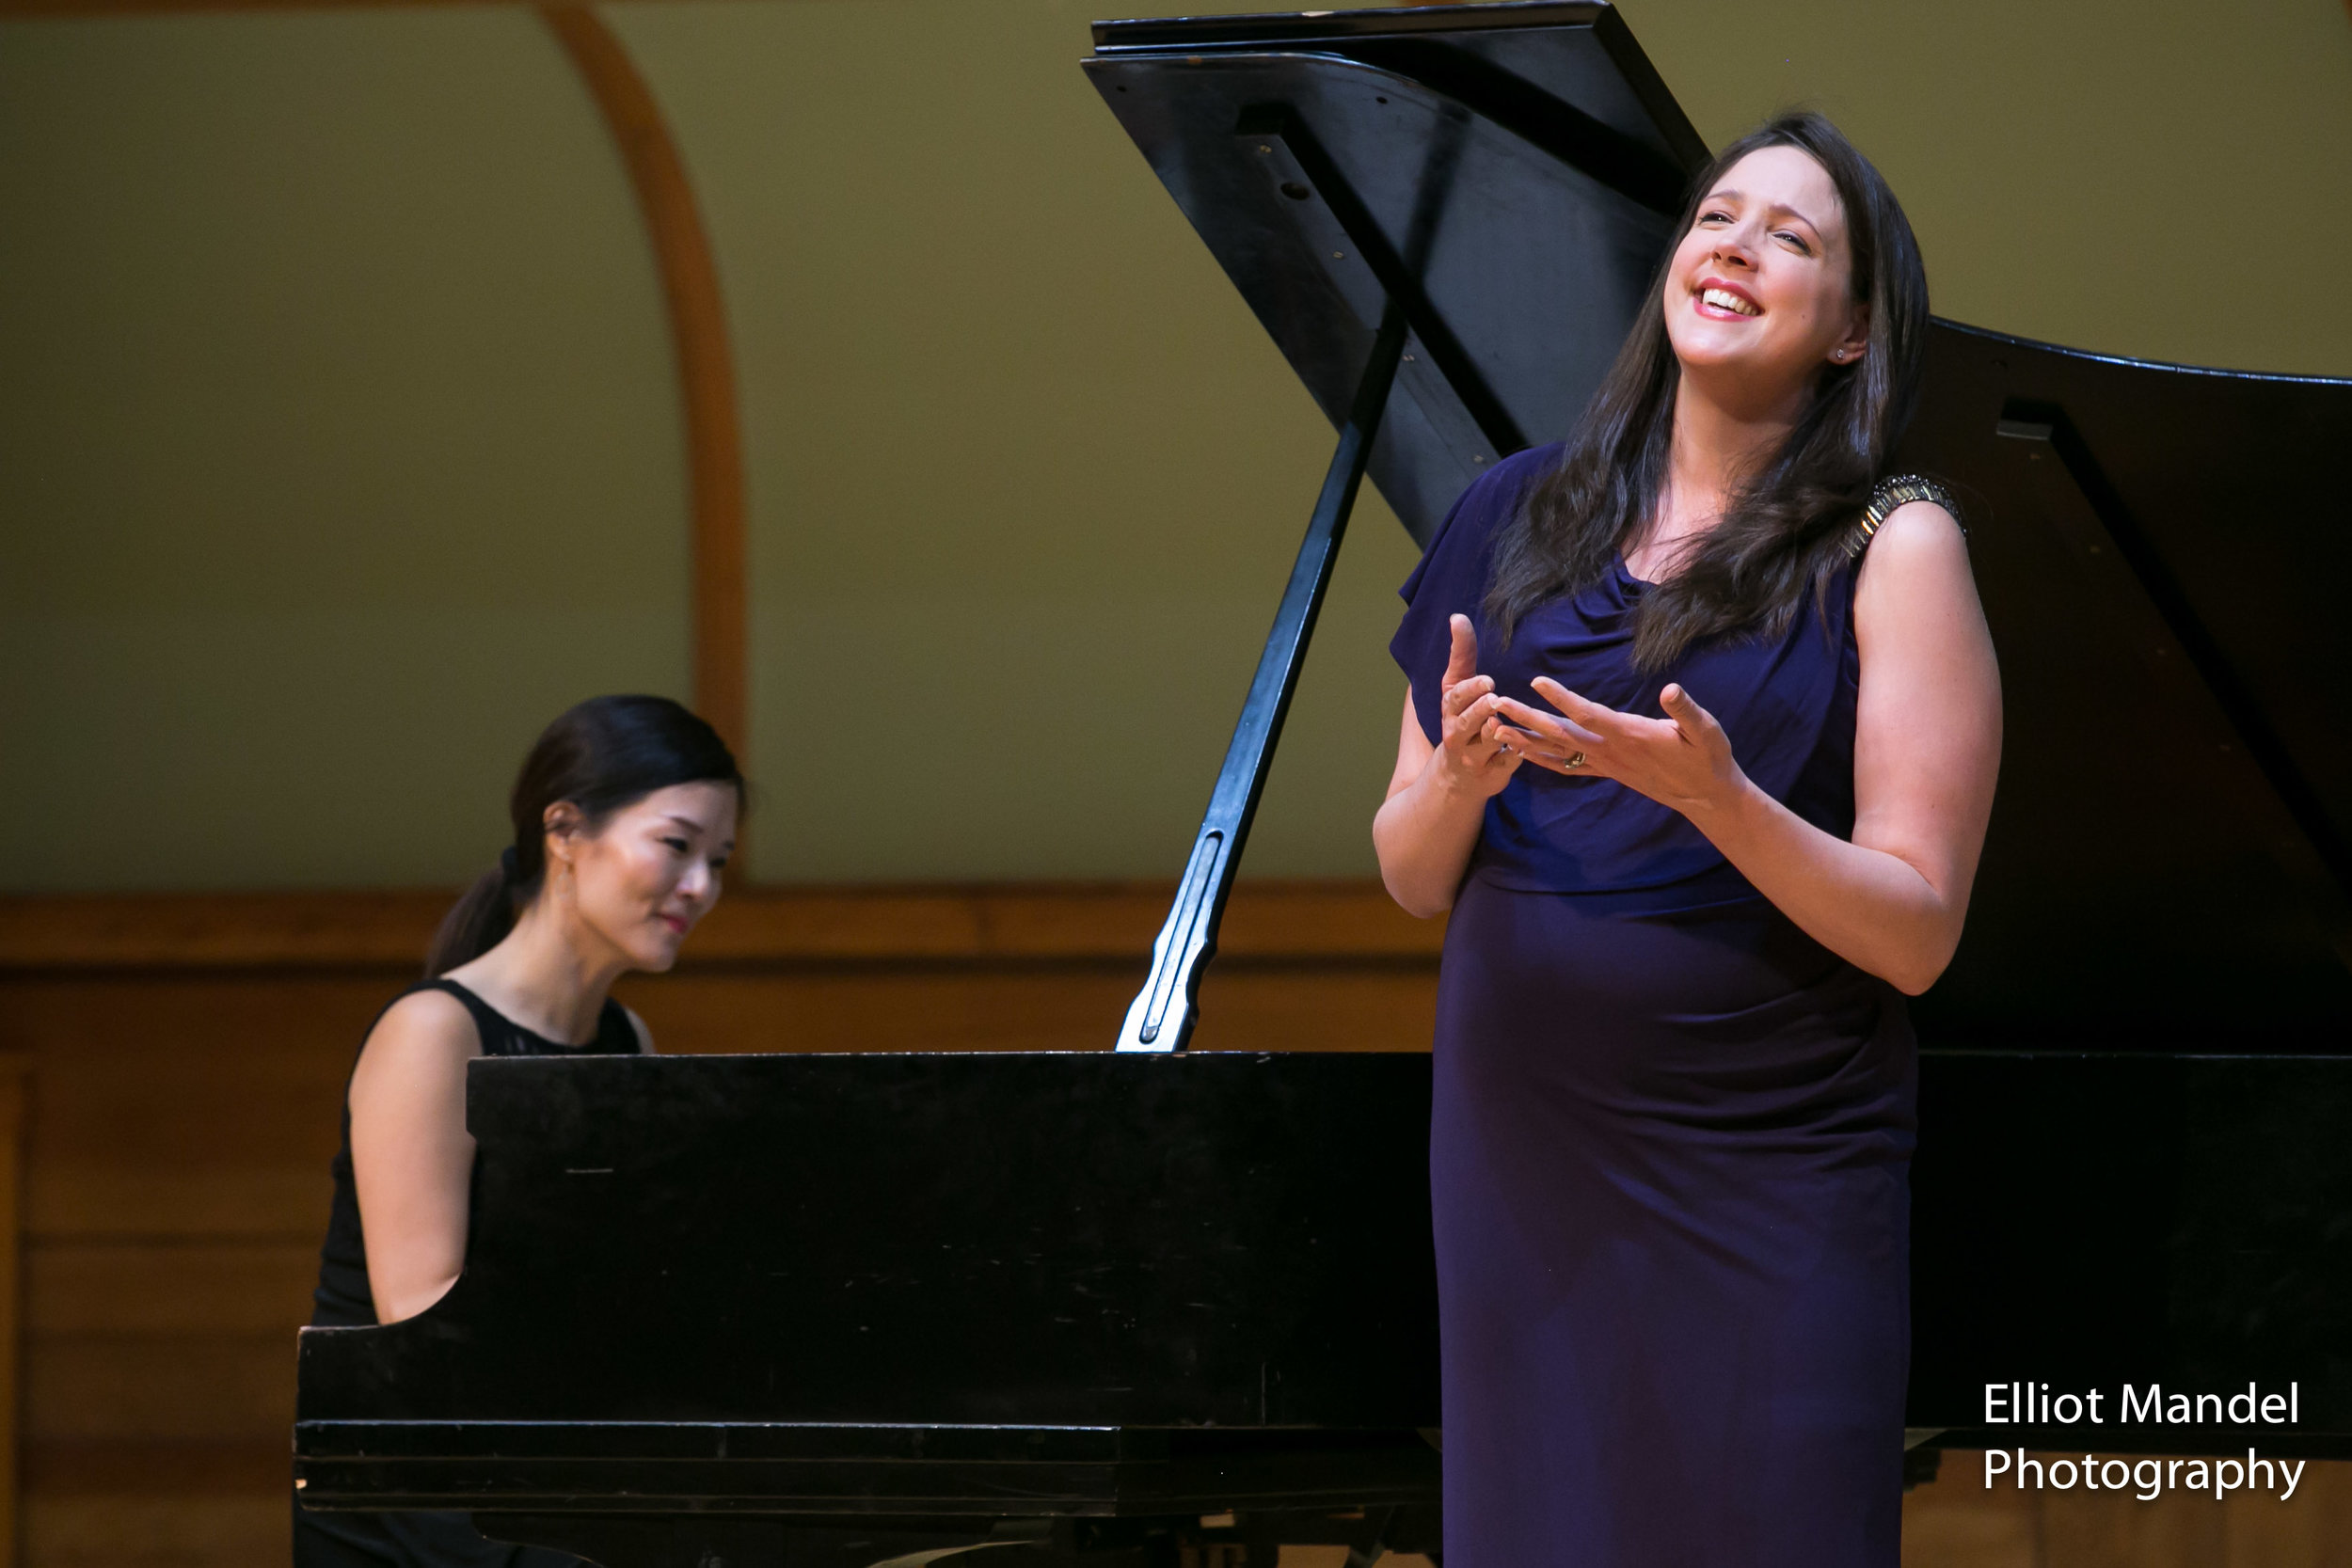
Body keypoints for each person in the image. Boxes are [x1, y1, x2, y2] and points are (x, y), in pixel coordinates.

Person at [1374, 112, 2000, 1566]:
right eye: (1719, 218)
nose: (1735, 248)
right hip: (1522, 1164)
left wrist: (1721, 800)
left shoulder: (1893, 546)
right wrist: (1461, 776)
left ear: (1853, 330)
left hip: (1771, 1166)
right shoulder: (1508, 509)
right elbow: (1411, 873)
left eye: (1793, 238)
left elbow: (1917, 931)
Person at [296, 694, 742, 1567]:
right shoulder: (435, 1031)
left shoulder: (627, 1038)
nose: (702, 887)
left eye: (718, 860)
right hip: (418, 1490)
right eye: (677, 845)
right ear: (565, 831)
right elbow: (420, 1315)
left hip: (540, 1454)